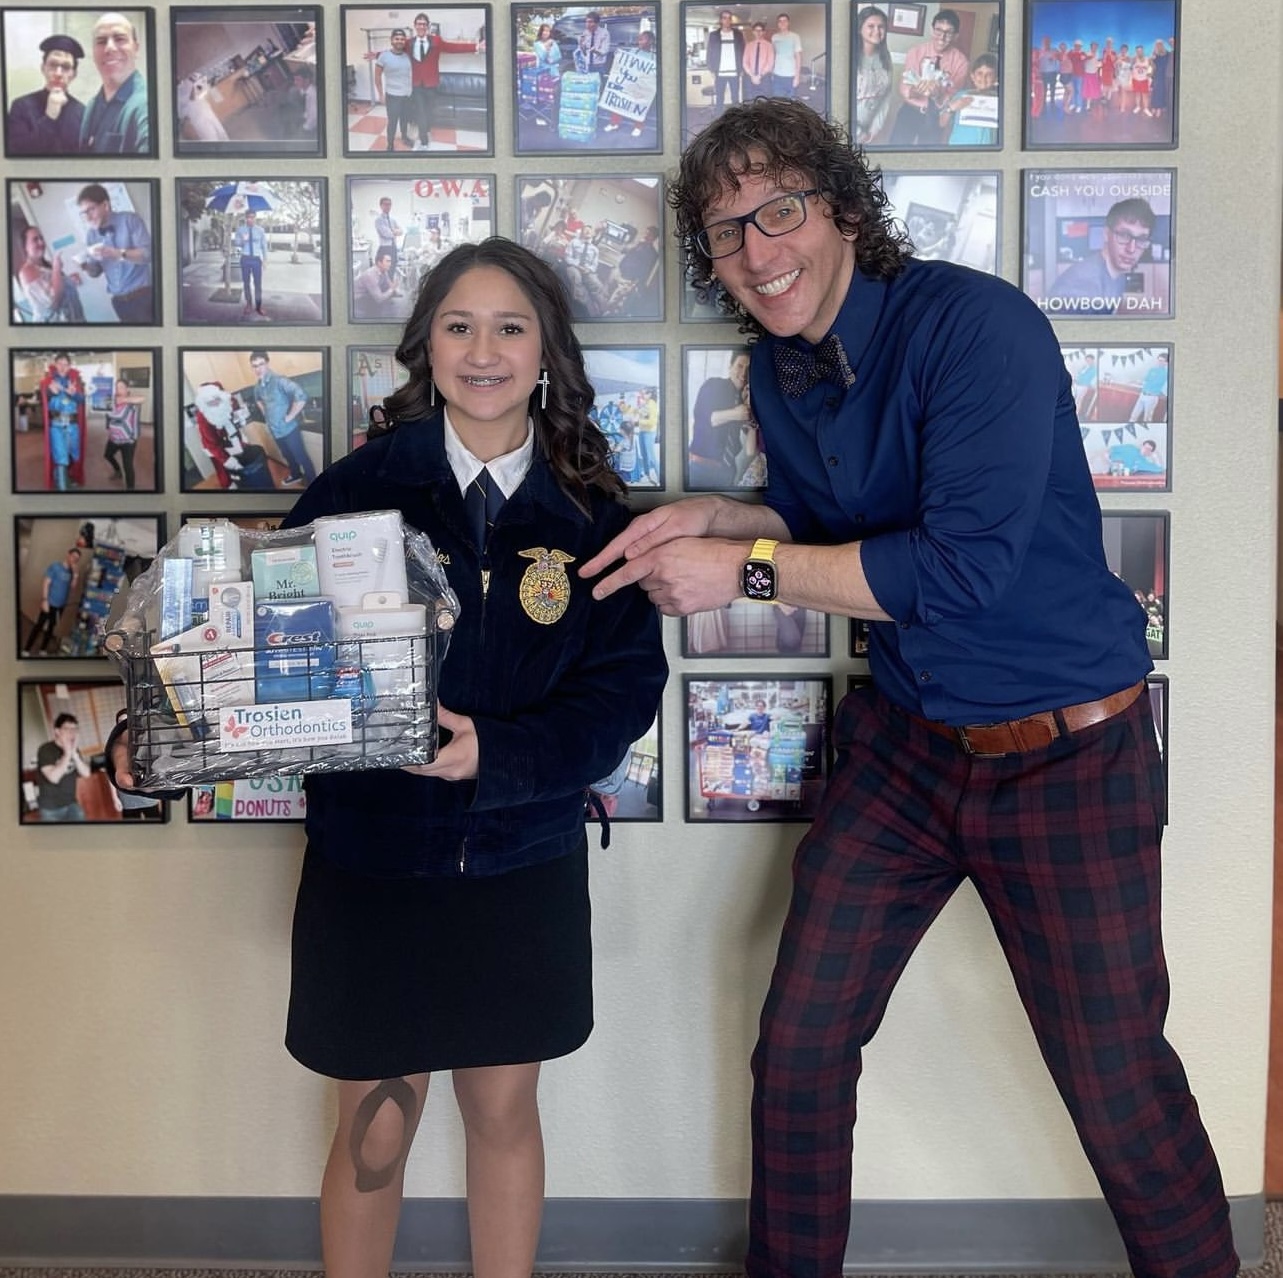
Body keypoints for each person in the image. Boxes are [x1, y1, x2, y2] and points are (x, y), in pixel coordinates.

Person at [581, 99, 1237, 1278]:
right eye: (726, 233)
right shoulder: (780, 375)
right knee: (797, 1048)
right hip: (904, 743)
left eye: (778, 210)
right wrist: (717, 513)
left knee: (1115, 1089)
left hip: (1065, 755)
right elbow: (842, 526)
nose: (757, 252)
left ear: (838, 206)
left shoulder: (976, 327)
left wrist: (738, 566)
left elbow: (958, 570)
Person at [109, 236, 666, 1278]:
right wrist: (168, 735)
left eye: (510, 326)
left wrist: (493, 756)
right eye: (459, 325)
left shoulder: (591, 515)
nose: (483, 350)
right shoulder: (350, 496)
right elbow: (270, 665)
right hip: (372, 869)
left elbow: (623, 694)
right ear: (426, 346)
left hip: (521, 864)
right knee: (374, 1128)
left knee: (503, 1113)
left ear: (545, 350)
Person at [1046, 197, 1156, 307]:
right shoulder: (1080, 288)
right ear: (1106, 234)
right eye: (1124, 235)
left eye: (1141, 239)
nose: (1131, 249)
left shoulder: (1119, 276)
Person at [75, 182, 154, 323]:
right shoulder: (91, 236)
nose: (87, 218)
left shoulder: (130, 219)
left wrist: (118, 254)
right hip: (119, 303)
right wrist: (86, 267)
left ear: (105, 205)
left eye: (90, 210)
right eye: (83, 213)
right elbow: (96, 272)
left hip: (144, 296)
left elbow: (148, 254)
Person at [888, 8, 968, 145]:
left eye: (948, 33)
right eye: (938, 30)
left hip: (935, 116)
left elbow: (953, 95)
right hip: (910, 111)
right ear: (932, 30)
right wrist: (914, 91)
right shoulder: (915, 52)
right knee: (897, 149)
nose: (942, 37)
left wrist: (938, 95)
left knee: (927, 157)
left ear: (956, 35)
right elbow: (905, 85)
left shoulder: (961, 62)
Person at [408, 11, 484, 151]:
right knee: (420, 112)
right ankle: (423, 141)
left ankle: (427, 130)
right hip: (416, 84)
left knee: (429, 111)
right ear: (414, 26)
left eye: (424, 24)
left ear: (428, 26)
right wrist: (377, 55)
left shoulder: (436, 40)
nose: (421, 26)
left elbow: (453, 47)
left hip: (432, 84)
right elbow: (396, 51)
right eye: (419, 24)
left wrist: (475, 46)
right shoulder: (409, 43)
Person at [80, 11, 150, 153]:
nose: (109, 47)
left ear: (136, 48)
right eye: (101, 41)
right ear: (93, 52)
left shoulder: (148, 105)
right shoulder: (92, 106)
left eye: (119, 39)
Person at [7, 34, 86, 155]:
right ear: (43, 68)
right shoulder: (20, 106)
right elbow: (16, 155)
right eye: (53, 65)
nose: (58, 73)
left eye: (65, 67)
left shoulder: (83, 113)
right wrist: (49, 117)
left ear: (73, 74)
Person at [245, 349, 315, 486]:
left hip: (289, 429)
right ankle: (295, 475)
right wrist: (266, 413)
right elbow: (258, 399)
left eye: (261, 364)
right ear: (252, 368)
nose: (258, 368)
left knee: (301, 458)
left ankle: (314, 485)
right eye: (255, 365)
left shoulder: (279, 381)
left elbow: (301, 396)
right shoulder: (257, 386)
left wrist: (290, 416)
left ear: (267, 363)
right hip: (275, 430)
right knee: (287, 456)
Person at [688, 351, 750, 490]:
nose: (744, 373)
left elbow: (749, 438)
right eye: (740, 366)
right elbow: (704, 419)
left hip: (728, 470)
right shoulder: (714, 384)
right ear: (730, 366)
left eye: (749, 369)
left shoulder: (745, 397)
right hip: (701, 468)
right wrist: (736, 413)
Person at [16, 226, 86, 324]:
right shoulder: (26, 271)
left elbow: (55, 285)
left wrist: (69, 280)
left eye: (41, 238)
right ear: (25, 247)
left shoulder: (48, 264)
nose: (41, 242)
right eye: (35, 240)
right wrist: (57, 268)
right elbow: (53, 302)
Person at [41, 351, 86, 491]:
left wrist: (74, 394)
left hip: (73, 426)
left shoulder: (76, 381)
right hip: (57, 425)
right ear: (55, 365)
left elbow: (82, 400)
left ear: (69, 366)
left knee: (73, 454)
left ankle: (63, 476)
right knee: (61, 457)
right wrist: (50, 392)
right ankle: (62, 489)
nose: (62, 367)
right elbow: (43, 397)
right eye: (60, 363)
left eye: (65, 364)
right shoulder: (47, 381)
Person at [24, 547, 82, 655]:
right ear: (68, 555)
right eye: (73, 556)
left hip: (60, 606)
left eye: (77, 559)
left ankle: (43, 649)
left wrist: (75, 575)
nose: (74, 560)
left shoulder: (72, 572)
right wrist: (45, 600)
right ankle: (27, 649)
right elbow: (46, 583)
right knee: (39, 626)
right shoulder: (55, 566)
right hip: (49, 602)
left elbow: (72, 588)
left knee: (51, 627)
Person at [35, 713, 91, 821]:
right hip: (50, 809)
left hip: (71, 803)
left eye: (75, 729)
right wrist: (67, 753)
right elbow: (53, 778)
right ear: (57, 731)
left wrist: (74, 755)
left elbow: (86, 773)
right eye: (67, 729)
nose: (72, 732)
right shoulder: (46, 749)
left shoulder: (74, 750)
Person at [938, 52, 998, 146]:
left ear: (995, 79)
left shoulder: (1000, 100)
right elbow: (942, 123)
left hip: (987, 150)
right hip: (960, 147)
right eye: (979, 73)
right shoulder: (960, 96)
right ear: (972, 76)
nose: (983, 78)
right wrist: (951, 108)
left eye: (989, 74)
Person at [369, 27, 414, 151]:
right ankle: (390, 144)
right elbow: (377, 76)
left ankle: (404, 137)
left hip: (407, 95)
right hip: (393, 95)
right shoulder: (384, 56)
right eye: (397, 39)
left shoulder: (408, 56)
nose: (399, 41)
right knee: (392, 121)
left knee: (405, 119)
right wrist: (380, 94)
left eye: (402, 39)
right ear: (392, 40)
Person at [852, 6, 891, 145]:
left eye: (881, 27)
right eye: (871, 26)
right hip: (848, 129)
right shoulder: (849, 58)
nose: (877, 31)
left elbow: (886, 98)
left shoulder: (885, 57)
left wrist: (875, 129)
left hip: (871, 131)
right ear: (859, 29)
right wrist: (858, 133)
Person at [103, 376, 144, 489]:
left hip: (128, 441)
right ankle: (118, 472)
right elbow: (107, 415)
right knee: (107, 455)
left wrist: (124, 399)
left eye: (121, 387)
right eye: (116, 387)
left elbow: (142, 398)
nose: (118, 390)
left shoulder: (132, 402)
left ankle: (130, 489)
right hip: (114, 439)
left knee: (128, 466)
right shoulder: (111, 401)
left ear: (127, 389)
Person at [232, 209, 268, 318]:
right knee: (246, 283)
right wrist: (243, 240)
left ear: (255, 218)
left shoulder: (260, 230)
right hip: (245, 259)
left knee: (258, 284)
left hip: (256, 260)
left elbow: (264, 246)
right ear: (245, 218)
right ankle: (248, 304)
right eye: (248, 217)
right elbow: (236, 244)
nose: (250, 219)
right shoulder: (240, 230)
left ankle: (258, 306)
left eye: (252, 217)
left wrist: (265, 260)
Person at [706, 10, 744, 109]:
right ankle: (719, 121)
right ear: (721, 20)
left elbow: (742, 51)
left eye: (729, 18)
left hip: (734, 73)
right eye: (724, 18)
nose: (727, 20)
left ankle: (736, 122)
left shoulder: (738, 34)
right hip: (719, 73)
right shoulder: (713, 35)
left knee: (735, 99)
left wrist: (742, 69)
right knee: (719, 99)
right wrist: (711, 69)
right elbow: (709, 53)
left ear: (731, 20)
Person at [353, 248, 405, 319]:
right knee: (391, 311)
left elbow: (389, 285)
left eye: (390, 261)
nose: (390, 264)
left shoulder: (384, 271)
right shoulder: (370, 275)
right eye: (387, 261)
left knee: (395, 305)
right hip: (359, 300)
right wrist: (392, 289)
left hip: (369, 296)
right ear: (379, 263)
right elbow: (379, 299)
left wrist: (395, 289)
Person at [177, 74, 230, 141]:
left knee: (222, 134)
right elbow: (181, 114)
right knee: (211, 139)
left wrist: (209, 84)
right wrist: (190, 100)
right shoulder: (176, 95)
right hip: (199, 120)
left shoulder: (190, 78)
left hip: (208, 112)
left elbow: (204, 88)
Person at [1129, 350, 1169, 423]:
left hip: (1151, 398)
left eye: (1161, 361)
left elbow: (1163, 388)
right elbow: (1145, 381)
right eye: (1158, 360)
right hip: (1142, 395)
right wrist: (1135, 382)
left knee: (1147, 419)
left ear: (1166, 363)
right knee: (1133, 416)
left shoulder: (1166, 374)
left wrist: (1158, 393)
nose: (1159, 362)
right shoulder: (1152, 370)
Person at [769, 13, 802, 99]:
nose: (782, 23)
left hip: (791, 76)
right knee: (778, 102)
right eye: (780, 21)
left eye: (784, 21)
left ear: (788, 23)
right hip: (777, 76)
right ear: (778, 24)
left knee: (790, 105)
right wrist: (772, 71)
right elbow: (773, 54)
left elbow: (798, 57)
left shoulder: (795, 36)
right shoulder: (774, 37)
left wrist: (797, 76)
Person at [741, 21, 775, 102]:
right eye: (756, 30)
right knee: (750, 101)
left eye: (760, 30)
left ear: (763, 32)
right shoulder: (748, 45)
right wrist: (752, 75)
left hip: (765, 78)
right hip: (750, 78)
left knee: (764, 101)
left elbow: (770, 63)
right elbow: (745, 62)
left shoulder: (769, 45)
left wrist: (760, 75)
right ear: (753, 32)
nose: (758, 33)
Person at [373, 197, 402, 273]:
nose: (388, 206)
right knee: (384, 271)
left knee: (392, 269)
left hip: (393, 247)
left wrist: (393, 232)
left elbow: (401, 231)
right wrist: (395, 232)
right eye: (385, 204)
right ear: (381, 206)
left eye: (389, 204)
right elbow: (386, 234)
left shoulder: (393, 219)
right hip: (385, 248)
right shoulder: (379, 220)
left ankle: (390, 284)